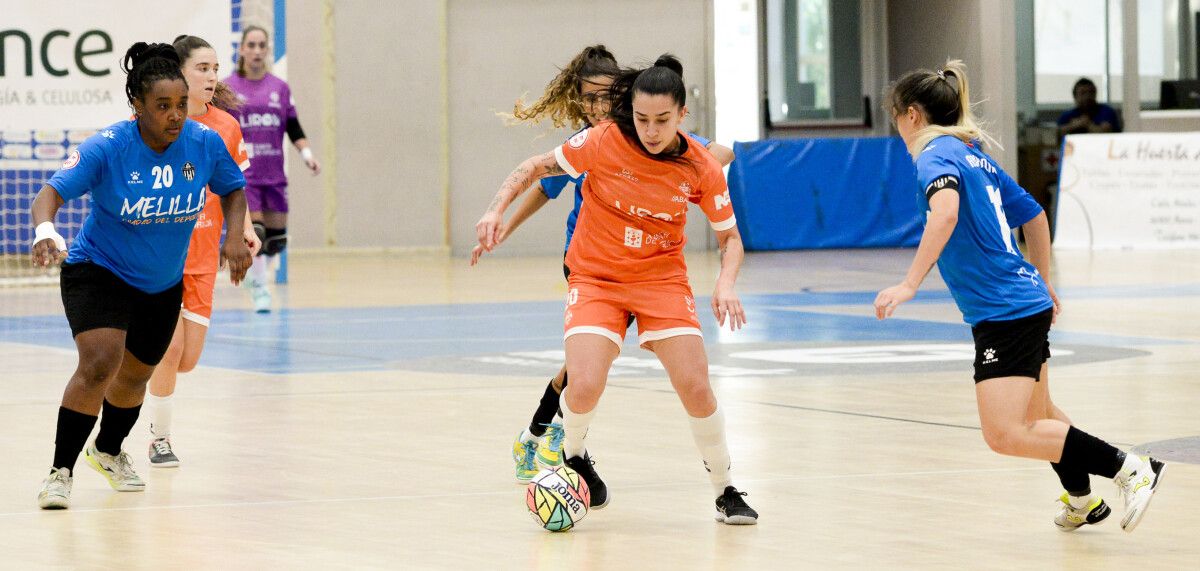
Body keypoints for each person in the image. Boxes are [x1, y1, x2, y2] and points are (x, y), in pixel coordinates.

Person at [875, 60, 1164, 533]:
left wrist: (909, 283)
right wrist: (1043, 280)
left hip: (1004, 310)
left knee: (1005, 433)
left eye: (894, 116)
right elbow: (1035, 214)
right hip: (1020, 300)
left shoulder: (933, 156)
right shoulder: (974, 155)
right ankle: (1083, 500)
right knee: (1040, 416)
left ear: (911, 115)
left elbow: (944, 214)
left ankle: (1132, 469)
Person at [475, 55, 759, 524]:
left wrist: (726, 283)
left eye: (662, 121)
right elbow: (534, 168)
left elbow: (730, 239)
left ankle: (726, 489)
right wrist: (494, 211)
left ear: (682, 116)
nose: (650, 130)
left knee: (696, 387)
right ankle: (574, 456)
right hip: (596, 279)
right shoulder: (604, 139)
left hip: (661, 280)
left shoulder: (700, 165)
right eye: (643, 119)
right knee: (583, 385)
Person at [32, 42, 251, 509]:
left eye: (180, 105)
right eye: (163, 106)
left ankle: (108, 451)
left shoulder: (205, 143)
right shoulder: (108, 147)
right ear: (138, 106)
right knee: (99, 363)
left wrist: (235, 237)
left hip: (160, 284)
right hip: (99, 270)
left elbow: (233, 189)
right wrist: (45, 230)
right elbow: (49, 194)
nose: (175, 116)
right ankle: (60, 471)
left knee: (135, 377)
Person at [143, 34, 261, 468]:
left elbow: (234, 189)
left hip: (203, 258)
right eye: (202, 68)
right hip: (159, 258)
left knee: (187, 360)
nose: (212, 77)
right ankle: (160, 439)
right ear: (178, 73)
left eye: (215, 69)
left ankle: (128, 378)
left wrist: (244, 230)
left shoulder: (226, 127)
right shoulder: (153, 124)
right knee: (169, 351)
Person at [225, 25, 320, 313]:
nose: (256, 51)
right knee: (257, 233)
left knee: (275, 240)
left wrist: (307, 155)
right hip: (246, 176)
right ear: (241, 49)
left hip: (274, 175)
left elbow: (293, 126)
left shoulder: (280, 88)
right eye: (250, 45)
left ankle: (258, 280)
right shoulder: (228, 89)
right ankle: (261, 288)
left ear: (267, 50)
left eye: (261, 45)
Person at [1057, 78, 1121, 137]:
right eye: (1083, 93)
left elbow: (1106, 133)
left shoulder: (1106, 111)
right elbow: (1056, 134)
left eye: (1091, 92)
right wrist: (1073, 125)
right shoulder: (1067, 115)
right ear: (1075, 96)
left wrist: (1088, 124)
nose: (1087, 96)